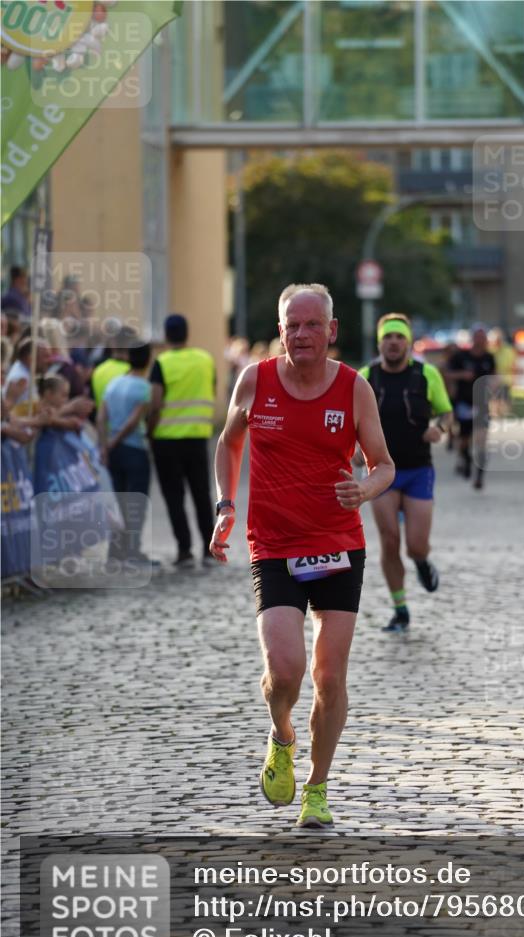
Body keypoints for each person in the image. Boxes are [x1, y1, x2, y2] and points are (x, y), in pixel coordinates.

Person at [209, 283, 394, 828]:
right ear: (281, 327)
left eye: (313, 325)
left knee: (330, 676)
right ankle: (282, 733)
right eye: (293, 325)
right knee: (285, 671)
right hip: (274, 546)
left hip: (339, 545)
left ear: (332, 331)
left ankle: (317, 788)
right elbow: (228, 442)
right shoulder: (256, 380)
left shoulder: (354, 389)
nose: (303, 334)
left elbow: (384, 465)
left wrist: (365, 488)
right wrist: (225, 504)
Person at [359, 313, 452, 633]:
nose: (394, 343)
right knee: (389, 540)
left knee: (415, 545)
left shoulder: (426, 374)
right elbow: (348, 420)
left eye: (399, 337)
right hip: (380, 471)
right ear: (380, 342)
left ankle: (422, 561)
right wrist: (353, 452)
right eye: (388, 337)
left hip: (417, 469)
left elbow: (446, 412)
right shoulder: (366, 376)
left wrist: (438, 428)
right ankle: (400, 609)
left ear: (408, 342)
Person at [149, 314, 216, 568]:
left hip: (166, 441)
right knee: (202, 494)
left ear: (166, 336)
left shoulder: (162, 363)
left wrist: (150, 431)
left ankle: (184, 550)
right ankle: (210, 549)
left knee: (174, 497)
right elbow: (212, 386)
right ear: (187, 333)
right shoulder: (205, 359)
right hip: (198, 437)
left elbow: (155, 402)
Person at [98, 343, 153, 562]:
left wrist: (104, 445)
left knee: (118, 501)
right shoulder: (144, 387)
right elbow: (133, 421)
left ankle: (116, 550)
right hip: (135, 449)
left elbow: (102, 417)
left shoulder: (113, 384)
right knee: (136, 503)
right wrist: (114, 441)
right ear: (148, 360)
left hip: (114, 452)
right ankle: (132, 550)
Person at [446, 326, 496, 489]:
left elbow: (494, 378)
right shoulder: (461, 356)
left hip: (481, 404)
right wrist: (462, 375)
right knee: (464, 439)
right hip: (464, 404)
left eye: (483, 337)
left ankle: (479, 476)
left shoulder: (489, 357)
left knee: (482, 440)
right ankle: (466, 460)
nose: (481, 340)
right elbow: (447, 373)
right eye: (478, 337)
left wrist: (494, 388)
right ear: (473, 339)